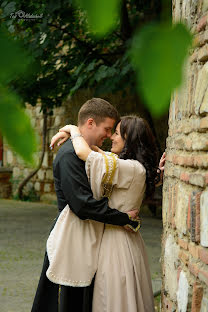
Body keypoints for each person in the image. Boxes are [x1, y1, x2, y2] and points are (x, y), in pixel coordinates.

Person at [31, 98, 141, 312]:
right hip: (69, 243)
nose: (109, 136)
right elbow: (82, 205)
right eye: (107, 129)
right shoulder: (69, 155)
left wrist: (157, 174)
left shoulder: (89, 153)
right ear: (90, 123)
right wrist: (123, 218)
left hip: (85, 242)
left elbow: (126, 170)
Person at [50, 115, 162, 312]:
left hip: (115, 243)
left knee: (112, 298)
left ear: (129, 139)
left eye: (117, 133)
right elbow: (99, 153)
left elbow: (86, 153)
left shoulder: (128, 168)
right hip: (128, 240)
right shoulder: (133, 167)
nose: (112, 137)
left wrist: (73, 129)